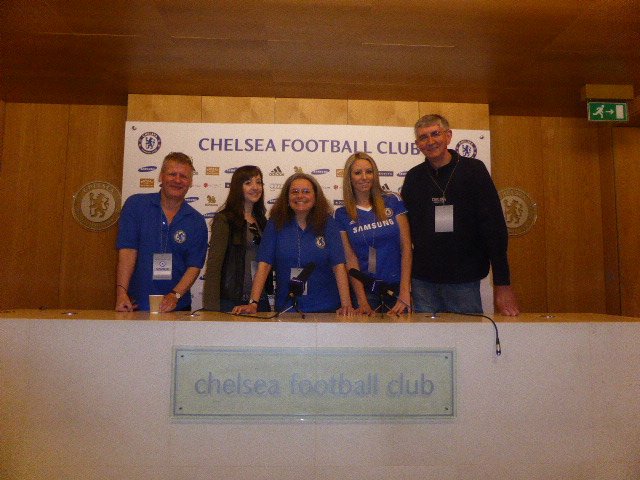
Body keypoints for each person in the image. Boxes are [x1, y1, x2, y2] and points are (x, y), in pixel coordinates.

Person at [401, 114, 519, 316]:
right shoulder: (414, 178)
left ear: (448, 136)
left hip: (464, 281)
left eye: (435, 134)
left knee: (467, 336)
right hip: (423, 282)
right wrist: (404, 286)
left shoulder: (474, 171)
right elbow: (404, 235)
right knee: (426, 337)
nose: (430, 141)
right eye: (423, 137)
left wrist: (503, 283)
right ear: (417, 144)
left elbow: (494, 229)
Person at [233, 172, 354, 316]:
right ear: (287, 197)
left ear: (316, 197)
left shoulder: (328, 224)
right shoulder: (275, 223)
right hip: (287, 308)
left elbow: (338, 266)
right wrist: (253, 303)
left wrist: (346, 304)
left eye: (306, 191)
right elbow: (264, 265)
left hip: (326, 308)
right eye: (295, 192)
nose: (300, 196)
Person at [115, 152, 208, 312]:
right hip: (134, 305)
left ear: (191, 182)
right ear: (161, 176)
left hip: (177, 307)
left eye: (183, 176)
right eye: (172, 174)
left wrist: (175, 295)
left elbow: (194, 266)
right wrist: (121, 293)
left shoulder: (196, 220)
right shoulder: (135, 205)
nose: (177, 180)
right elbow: (127, 252)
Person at [335, 152, 412, 315]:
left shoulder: (393, 201)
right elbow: (350, 259)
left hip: (397, 289)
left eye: (369, 172)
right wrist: (362, 301)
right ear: (349, 178)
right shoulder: (342, 214)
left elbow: (406, 248)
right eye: (358, 173)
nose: (364, 177)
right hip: (367, 291)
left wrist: (405, 292)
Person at [202, 165, 271, 312]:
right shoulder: (224, 219)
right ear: (237, 187)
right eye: (248, 183)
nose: (255, 187)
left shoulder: (263, 222)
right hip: (231, 301)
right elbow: (214, 264)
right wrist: (211, 307)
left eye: (259, 182)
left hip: (259, 301)